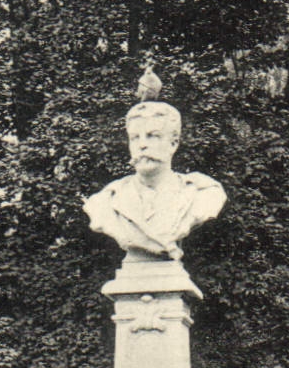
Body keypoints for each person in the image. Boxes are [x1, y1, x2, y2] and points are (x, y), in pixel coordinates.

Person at [83, 100, 226, 263]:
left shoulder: (203, 193)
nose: (142, 145)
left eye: (153, 136)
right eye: (135, 138)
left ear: (173, 143)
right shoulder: (105, 201)